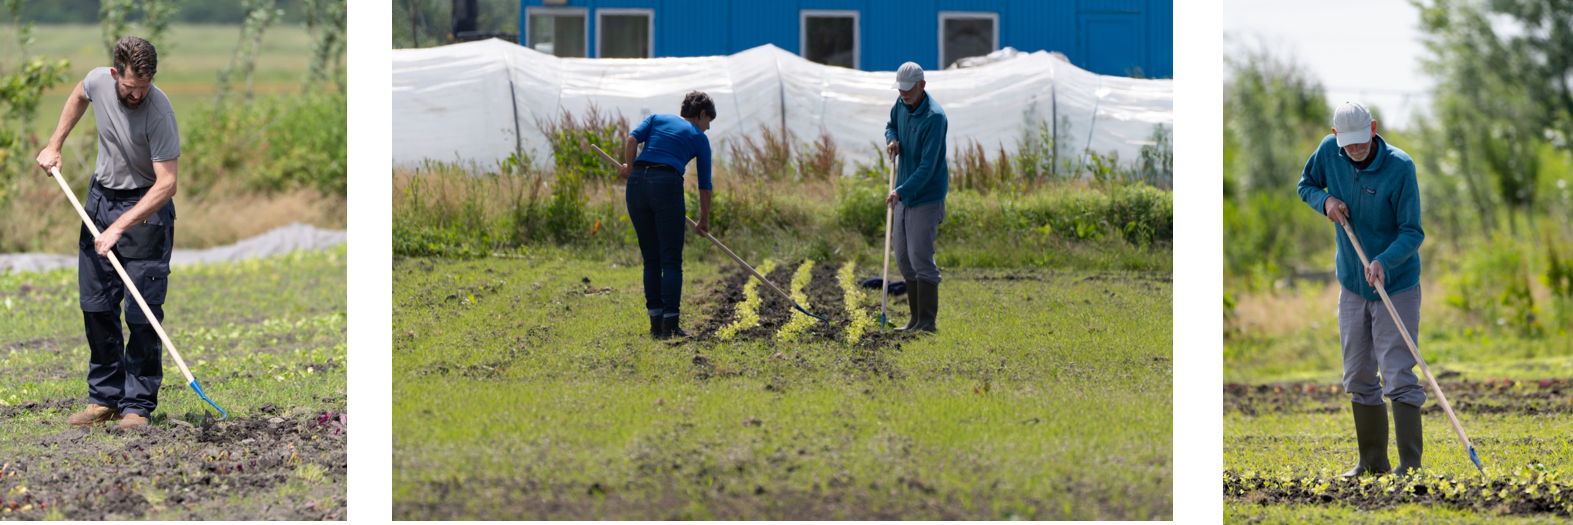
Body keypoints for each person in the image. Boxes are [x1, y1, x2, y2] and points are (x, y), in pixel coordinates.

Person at [34, 36, 180, 430]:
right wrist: (55, 144)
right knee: (96, 305)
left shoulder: (159, 111)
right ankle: (105, 399)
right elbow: (79, 95)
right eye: (130, 87)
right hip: (99, 200)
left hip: (144, 211)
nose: (137, 96)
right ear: (116, 74)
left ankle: (137, 406)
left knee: (141, 312)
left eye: (144, 88)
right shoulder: (100, 81)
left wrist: (118, 227)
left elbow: (166, 184)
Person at [1297, 101, 1427, 477]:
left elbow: (1412, 232)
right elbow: (1306, 185)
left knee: (1398, 372)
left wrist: (1384, 261)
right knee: (1357, 375)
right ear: (1337, 136)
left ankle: (1409, 466)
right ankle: (1372, 462)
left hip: (1396, 284)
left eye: (1361, 140)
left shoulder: (1400, 167)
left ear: (1373, 128)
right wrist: (1326, 201)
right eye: (1347, 143)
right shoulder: (1328, 152)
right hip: (1353, 284)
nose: (1355, 150)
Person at [621, 91, 714, 339]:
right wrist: (704, 220)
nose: (707, 129)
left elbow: (631, 141)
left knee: (651, 258)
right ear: (702, 114)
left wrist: (629, 168)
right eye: (709, 123)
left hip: (637, 184)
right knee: (671, 259)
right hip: (666, 182)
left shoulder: (656, 118)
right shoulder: (699, 138)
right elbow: (705, 185)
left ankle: (655, 325)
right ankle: (670, 326)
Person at [883, 61, 948, 333]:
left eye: (909, 89)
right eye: (900, 90)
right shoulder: (901, 105)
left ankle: (927, 322)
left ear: (922, 85)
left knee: (920, 257)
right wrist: (892, 139)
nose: (904, 94)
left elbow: (927, 168)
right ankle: (914, 320)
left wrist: (900, 191)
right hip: (904, 194)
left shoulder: (934, 117)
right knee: (903, 259)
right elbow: (891, 125)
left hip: (925, 197)